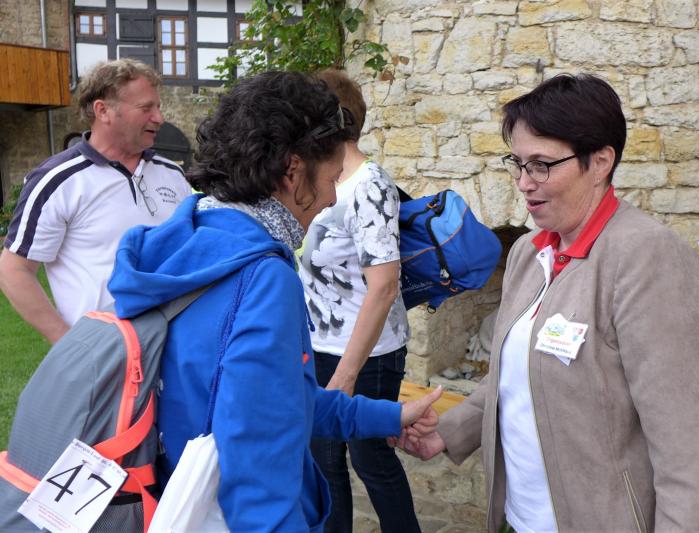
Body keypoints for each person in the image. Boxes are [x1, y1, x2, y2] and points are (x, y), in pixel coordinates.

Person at [106, 71, 440, 532]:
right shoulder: (263, 280)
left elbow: (277, 399)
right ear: (293, 170)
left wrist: (389, 415)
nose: (330, 198)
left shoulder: (188, 238)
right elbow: (259, 473)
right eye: (332, 178)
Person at [397, 73, 699, 532]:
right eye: (517, 163)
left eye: (542, 165)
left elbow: (685, 445)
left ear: (601, 162)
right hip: (519, 518)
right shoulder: (529, 253)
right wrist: (447, 433)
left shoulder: (648, 258)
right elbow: (513, 377)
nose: (523, 182)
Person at [298, 68, 418, 533]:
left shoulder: (369, 185)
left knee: (372, 462)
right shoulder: (319, 178)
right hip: (321, 348)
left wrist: (347, 373)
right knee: (324, 463)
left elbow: (384, 285)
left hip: (368, 355)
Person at [0, 59, 191, 343]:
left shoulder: (172, 173)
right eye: (146, 108)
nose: (159, 118)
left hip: (181, 346)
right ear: (103, 111)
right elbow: (14, 270)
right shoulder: (58, 180)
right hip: (106, 353)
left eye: (158, 107)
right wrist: (70, 345)